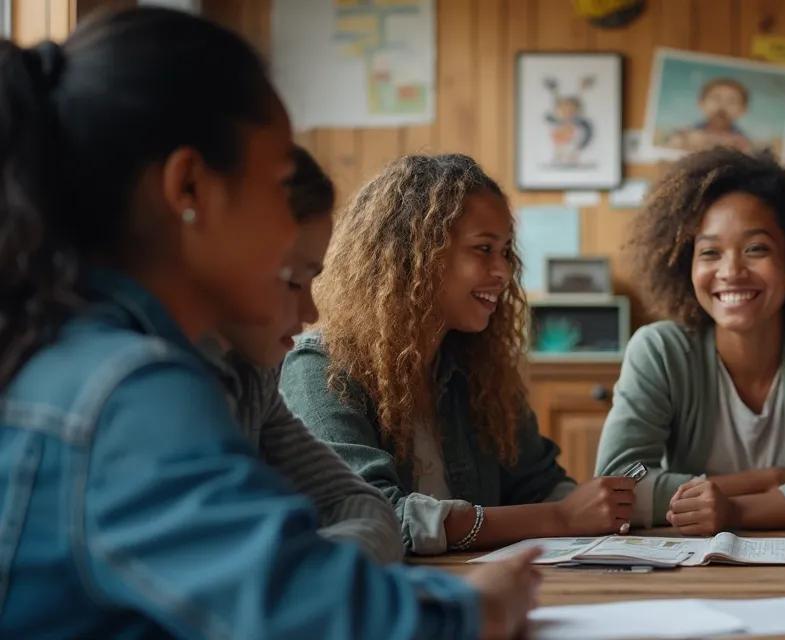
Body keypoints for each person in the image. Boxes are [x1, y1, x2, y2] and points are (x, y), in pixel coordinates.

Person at [0, 9, 536, 638]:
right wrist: (479, 609)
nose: (293, 226)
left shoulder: (93, 356)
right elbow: (305, 612)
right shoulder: (130, 391)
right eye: (281, 184)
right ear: (190, 187)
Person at [281, 153, 635, 555]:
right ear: (415, 256)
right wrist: (562, 518)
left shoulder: (479, 367)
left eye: (505, 251)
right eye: (483, 249)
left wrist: (598, 509)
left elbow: (538, 482)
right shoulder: (320, 368)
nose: (503, 271)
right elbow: (372, 516)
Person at [593, 147, 785, 535]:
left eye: (756, 249)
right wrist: (759, 482)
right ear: (687, 268)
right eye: (710, 252)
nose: (731, 270)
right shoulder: (660, 351)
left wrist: (735, 513)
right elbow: (617, 484)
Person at [201, 146, 403, 563]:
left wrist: (301, 569)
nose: (311, 313)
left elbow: (367, 508)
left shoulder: (254, 378)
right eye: (293, 281)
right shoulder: (148, 388)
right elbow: (225, 570)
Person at [662, 77, 755, 154]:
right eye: (716, 98)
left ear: (743, 109)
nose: (722, 106)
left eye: (732, 101)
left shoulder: (744, 143)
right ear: (701, 103)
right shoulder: (683, 135)